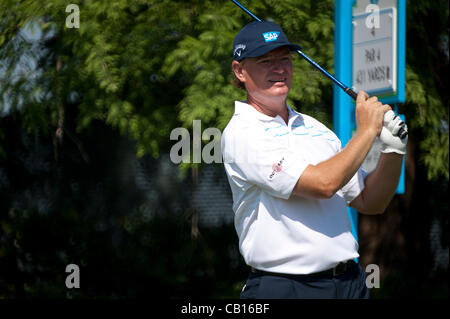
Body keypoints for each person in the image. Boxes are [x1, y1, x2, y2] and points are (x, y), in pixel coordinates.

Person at [221, 21, 408, 299]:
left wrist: (393, 149)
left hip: (350, 283)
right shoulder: (241, 132)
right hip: (286, 287)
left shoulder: (317, 129)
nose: (279, 68)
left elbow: (372, 201)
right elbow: (324, 183)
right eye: (265, 60)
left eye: (284, 58)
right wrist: (368, 130)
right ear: (239, 71)